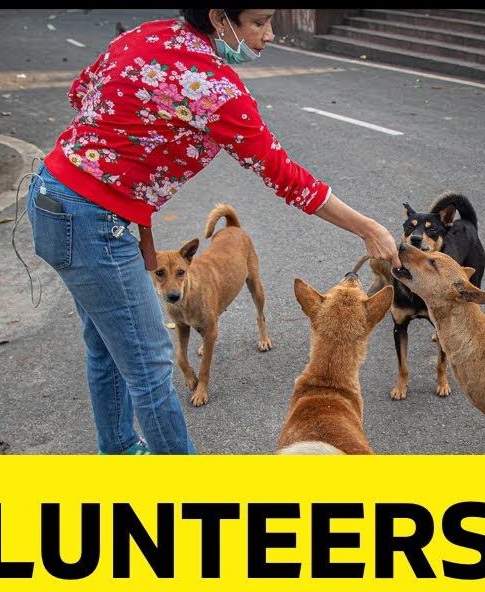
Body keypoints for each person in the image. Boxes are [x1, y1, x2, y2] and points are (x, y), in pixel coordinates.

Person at [27, 8, 401, 455]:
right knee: (149, 362)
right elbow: (285, 175)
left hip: (54, 198)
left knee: (106, 349)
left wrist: (139, 221)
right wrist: (367, 227)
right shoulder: (215, 89)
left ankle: (121, 451)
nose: (269, 35)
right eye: (259, 22)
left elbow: (85, 96)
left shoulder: (148, 35)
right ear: (219, 17)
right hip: (92, 222)